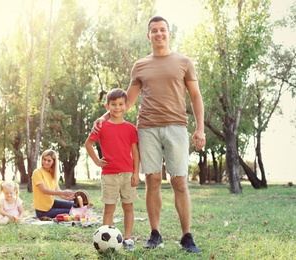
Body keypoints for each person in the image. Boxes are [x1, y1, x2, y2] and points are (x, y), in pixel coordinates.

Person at [93, 16, 205, 253]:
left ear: (169, 33)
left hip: (176, 127)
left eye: (162, 30)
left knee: (179, 181)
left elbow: (195, 96)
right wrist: (102, 120)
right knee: (152, 180)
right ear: (148, 35)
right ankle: (155, 234)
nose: (158, 34)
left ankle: (186, 236)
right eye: (154, 31)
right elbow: (127, 102)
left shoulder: (184, 62)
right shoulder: (140, 65)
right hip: (147, 129)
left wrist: (200, 128)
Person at [85, 88, 140, 251]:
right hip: (109, 175)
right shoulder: (101, 126)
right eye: (113, 104)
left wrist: (136, 172)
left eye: (121, 104)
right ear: (107, 106)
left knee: (128, 206)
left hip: (128, 174)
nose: (117, 108)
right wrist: (96, 161)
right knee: (109, 207)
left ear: (126, 105)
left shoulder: (130, 128)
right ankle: (104, 241)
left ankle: (128, 238)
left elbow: (135, 152)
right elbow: (88, 144)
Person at [32, 149, 75, 219]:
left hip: (51, 203)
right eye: (44, 159)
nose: (46, 162)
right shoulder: (37, 172)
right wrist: (64, 192)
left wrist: (67, 198)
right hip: (42, 211)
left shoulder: (52, 174)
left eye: (49, 160)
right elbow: (44, 191)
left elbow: (58, 191)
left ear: (53, 162)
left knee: (75, 205)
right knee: (71, 211)